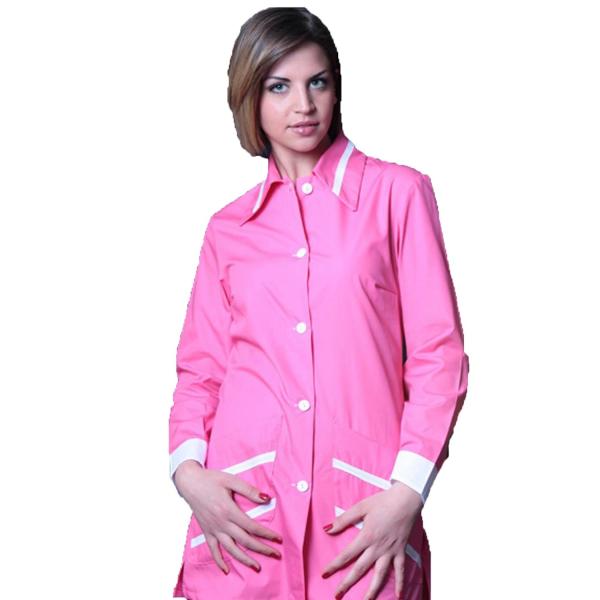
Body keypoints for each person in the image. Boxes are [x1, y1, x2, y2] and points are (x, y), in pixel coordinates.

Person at [168, 7, 469, 600]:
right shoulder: (228, 228)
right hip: (243, 523)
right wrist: (188, 475)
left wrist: (407, 493)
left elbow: (439, 356)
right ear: (249, 98)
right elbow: (200, 371)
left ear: (336, 88)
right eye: (279, 87)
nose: (303, 105)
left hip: (364, 523)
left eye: (318, 82)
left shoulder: (397, 195)